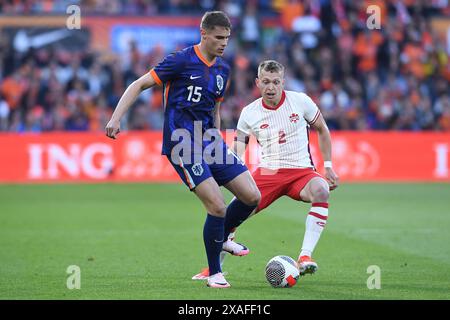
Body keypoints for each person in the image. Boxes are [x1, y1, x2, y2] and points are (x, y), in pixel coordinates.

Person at [105, 11, 261, 288]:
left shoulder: (223, 69)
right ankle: (214, 273)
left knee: (252, 196)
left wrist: (219, 137)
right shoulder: (180, 60)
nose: (224, 43)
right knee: (217, 206)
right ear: (204, 34)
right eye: (219, 37)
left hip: (210, 140)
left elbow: (215, 108)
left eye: (227, 38)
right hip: (182, 142)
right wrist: (116, 118)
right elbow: (139, 84)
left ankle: (223, 237)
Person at [193, 60, 339, 280]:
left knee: (321, 190)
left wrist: (327, 166)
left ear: (283, 82)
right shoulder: (250, 112)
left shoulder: (301, 101)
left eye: (276, 82)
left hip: (301, 172)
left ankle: (305, 257)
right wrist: (224, 171)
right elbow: (238, 149)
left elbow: (322, 129)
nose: (271, 87)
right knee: (229, 216)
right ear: (257, 82)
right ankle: (214, 268)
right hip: (268, 173)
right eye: (266, 82)